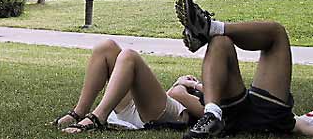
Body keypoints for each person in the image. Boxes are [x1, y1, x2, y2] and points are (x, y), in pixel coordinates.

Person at [175, 0, 313, 138]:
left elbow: (303, 126)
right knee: (275, 32)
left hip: (235, 112)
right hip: (265, 114)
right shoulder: (195, 96)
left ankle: (209, 31)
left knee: (221, 40)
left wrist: (191, 84)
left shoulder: (206, 88)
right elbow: (302, 126)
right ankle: (209, 29)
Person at [53, 39, 204, 133]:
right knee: (106, 47)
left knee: (129, 56)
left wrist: (188, 84)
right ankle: (79, 112)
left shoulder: (215, 105)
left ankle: (98, 117)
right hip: (143, 106)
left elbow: (178, 95)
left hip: (168, 114)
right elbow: (169, 94)